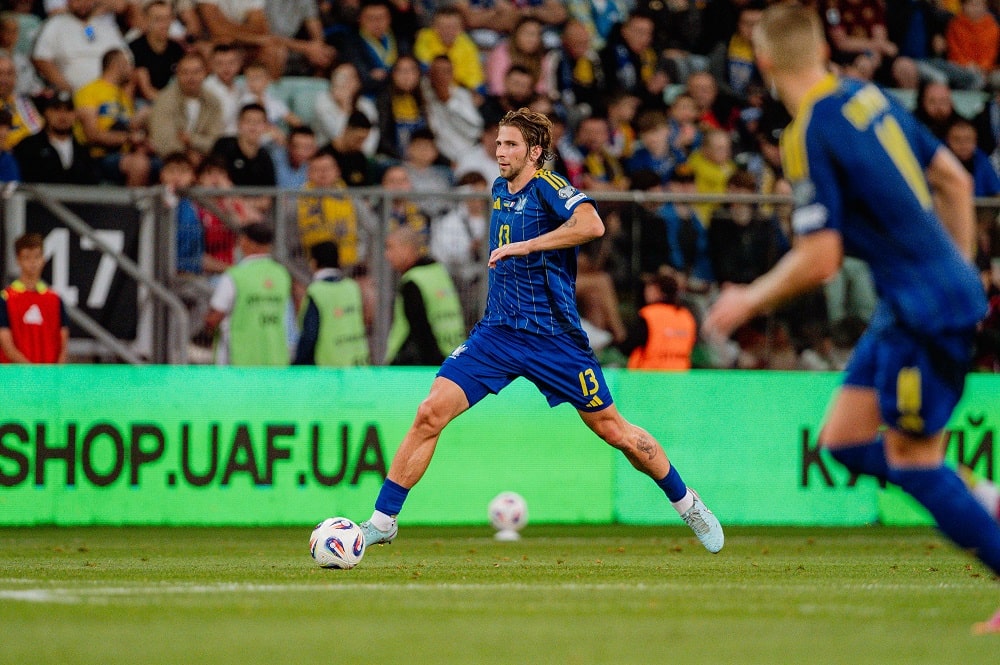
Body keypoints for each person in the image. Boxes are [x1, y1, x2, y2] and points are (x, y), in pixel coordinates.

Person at [702, 4, 1000, 633]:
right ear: (821, 49)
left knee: (915, 460)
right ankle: (984, 500)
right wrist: (958, 265)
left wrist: (750, 298)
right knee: (843, 440)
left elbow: (821, 257)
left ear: (763, 61)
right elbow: (952, 178)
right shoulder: (868, 96)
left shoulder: (808, 130)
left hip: (925, 312)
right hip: (916, 299)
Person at [355, 107, 724, 555]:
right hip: (497, 334)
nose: (501, 152)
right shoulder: (498, 189)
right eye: (498, 143)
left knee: (615, 431)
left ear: (534, 152)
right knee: (430, 412)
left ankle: (688, 503)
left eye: (511, 144)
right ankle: (383, 521)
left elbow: (592, 224)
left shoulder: (549, 186)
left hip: (554, 339)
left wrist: (529, 245)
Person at [203, 221, 292, 366]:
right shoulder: (282, 274)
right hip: (275, 358)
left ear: (245, 241)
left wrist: (207, 328)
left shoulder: (235, 276)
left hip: (239, 360)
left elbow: (215, 316)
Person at [383, 224, 465, 366]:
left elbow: (420, 330)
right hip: (453, 354)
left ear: (407, 249)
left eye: (390, 247)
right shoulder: (438, 271)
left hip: (422, 365)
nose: (387, 255)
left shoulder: (413, 281)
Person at [73, 47, 152, 186]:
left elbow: (129, 127)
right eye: (128, 64)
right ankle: (131, 202)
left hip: (124, 154)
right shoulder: (89, 91)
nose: (131, 69)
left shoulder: (124, 97)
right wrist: (129, 138)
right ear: (117, 65)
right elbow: (92, 135)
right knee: (139, 164)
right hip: (96, 156)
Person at [293, 240, 370, 367]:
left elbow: (310, 334)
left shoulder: (317, 291)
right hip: (357, 362)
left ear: (313, 263)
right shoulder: (352, 287)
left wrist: (299, 364)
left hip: (329, 366)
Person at [0, 232, 69, 364]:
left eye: (37, 256)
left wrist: (57, 372)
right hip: (15, 375)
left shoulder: (55, 299)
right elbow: (6, 345)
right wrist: (32, 372)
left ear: (43, 259)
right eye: (27, 257)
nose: (32, 262)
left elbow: (63, 344)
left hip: (49, 374)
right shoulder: (5, 299)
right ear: (18, 260)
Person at [147, 50, 224, 165]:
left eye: (196, 72)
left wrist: (191, 139)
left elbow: (216, 142)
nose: (191, 77)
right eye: (185, 72)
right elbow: (163, 141)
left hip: (203, 158)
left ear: (205, 73)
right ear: (177, 74)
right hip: (168, 160)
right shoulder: (164, 99)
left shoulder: (213, 102)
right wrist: (187, 156)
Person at [13, 89, 98, 184]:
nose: (63, 115)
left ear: (75, 114)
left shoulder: (83, 151)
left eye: (68, 110)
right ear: (45, 113)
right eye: (56, 109)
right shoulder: (28, 146)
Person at [621, 270, 698, 371]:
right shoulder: (686, 316)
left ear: (657, 291)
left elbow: (628, 346)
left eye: (650, 288)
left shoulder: (649, 315)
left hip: (649, 375)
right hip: (680, 374)